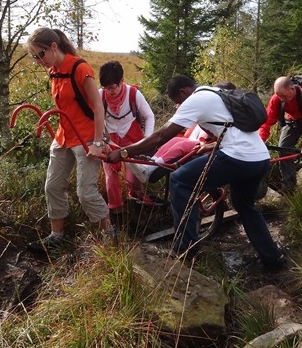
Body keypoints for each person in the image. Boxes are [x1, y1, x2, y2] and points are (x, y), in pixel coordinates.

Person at [106, 75, 287, 270]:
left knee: (180, 180)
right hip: (258, 158)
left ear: (184, 92)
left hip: (238, 157)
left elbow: (161, 135)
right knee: (245, 206)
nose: (179, 107)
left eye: (178, 103)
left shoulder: (196, 99)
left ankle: (187, 250)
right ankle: (272, 258)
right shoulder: (217, 92)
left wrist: (125, 151)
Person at [25, 28, 114, 253]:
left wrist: (97, 142)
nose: (38, 61)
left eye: (40, 55)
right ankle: (57, 236)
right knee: (52, 186)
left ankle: (110, 235)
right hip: (64, 136)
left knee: (85, 192)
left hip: (86, 136)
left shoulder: (79, 68)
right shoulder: (53, 71)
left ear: (54, 47)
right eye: (34, 57)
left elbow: (98, 107)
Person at [126, 81, 236, 184]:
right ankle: (151, 163)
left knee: (182, 144)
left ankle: (150, 168)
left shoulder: (227, 115)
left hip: (210, 148)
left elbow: (224, 139)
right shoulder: (214, 110)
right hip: (204, 144)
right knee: (176, 139)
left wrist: (208, 145)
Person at [98, 60, 156, 212]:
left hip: (132, 136)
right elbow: (94, 119)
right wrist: (101, 139)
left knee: (135, 174)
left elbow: (149, 116)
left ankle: (136, 200)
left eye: (112, 87)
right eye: (105, 87)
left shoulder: (133, 94)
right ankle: (116, 209)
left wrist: (147, 140)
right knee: (111, 175)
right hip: (109, 138)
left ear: (121, 81)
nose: (109, 91)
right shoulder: (100, 96)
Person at [258, 77, 302, 193]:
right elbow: (266, 122)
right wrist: (259, 141)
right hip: (295, 120)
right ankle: (289, 185)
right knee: (283, 147)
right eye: (280, 97)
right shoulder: (277, 99)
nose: (283, 100)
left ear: (292, 89)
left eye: (285, 96)